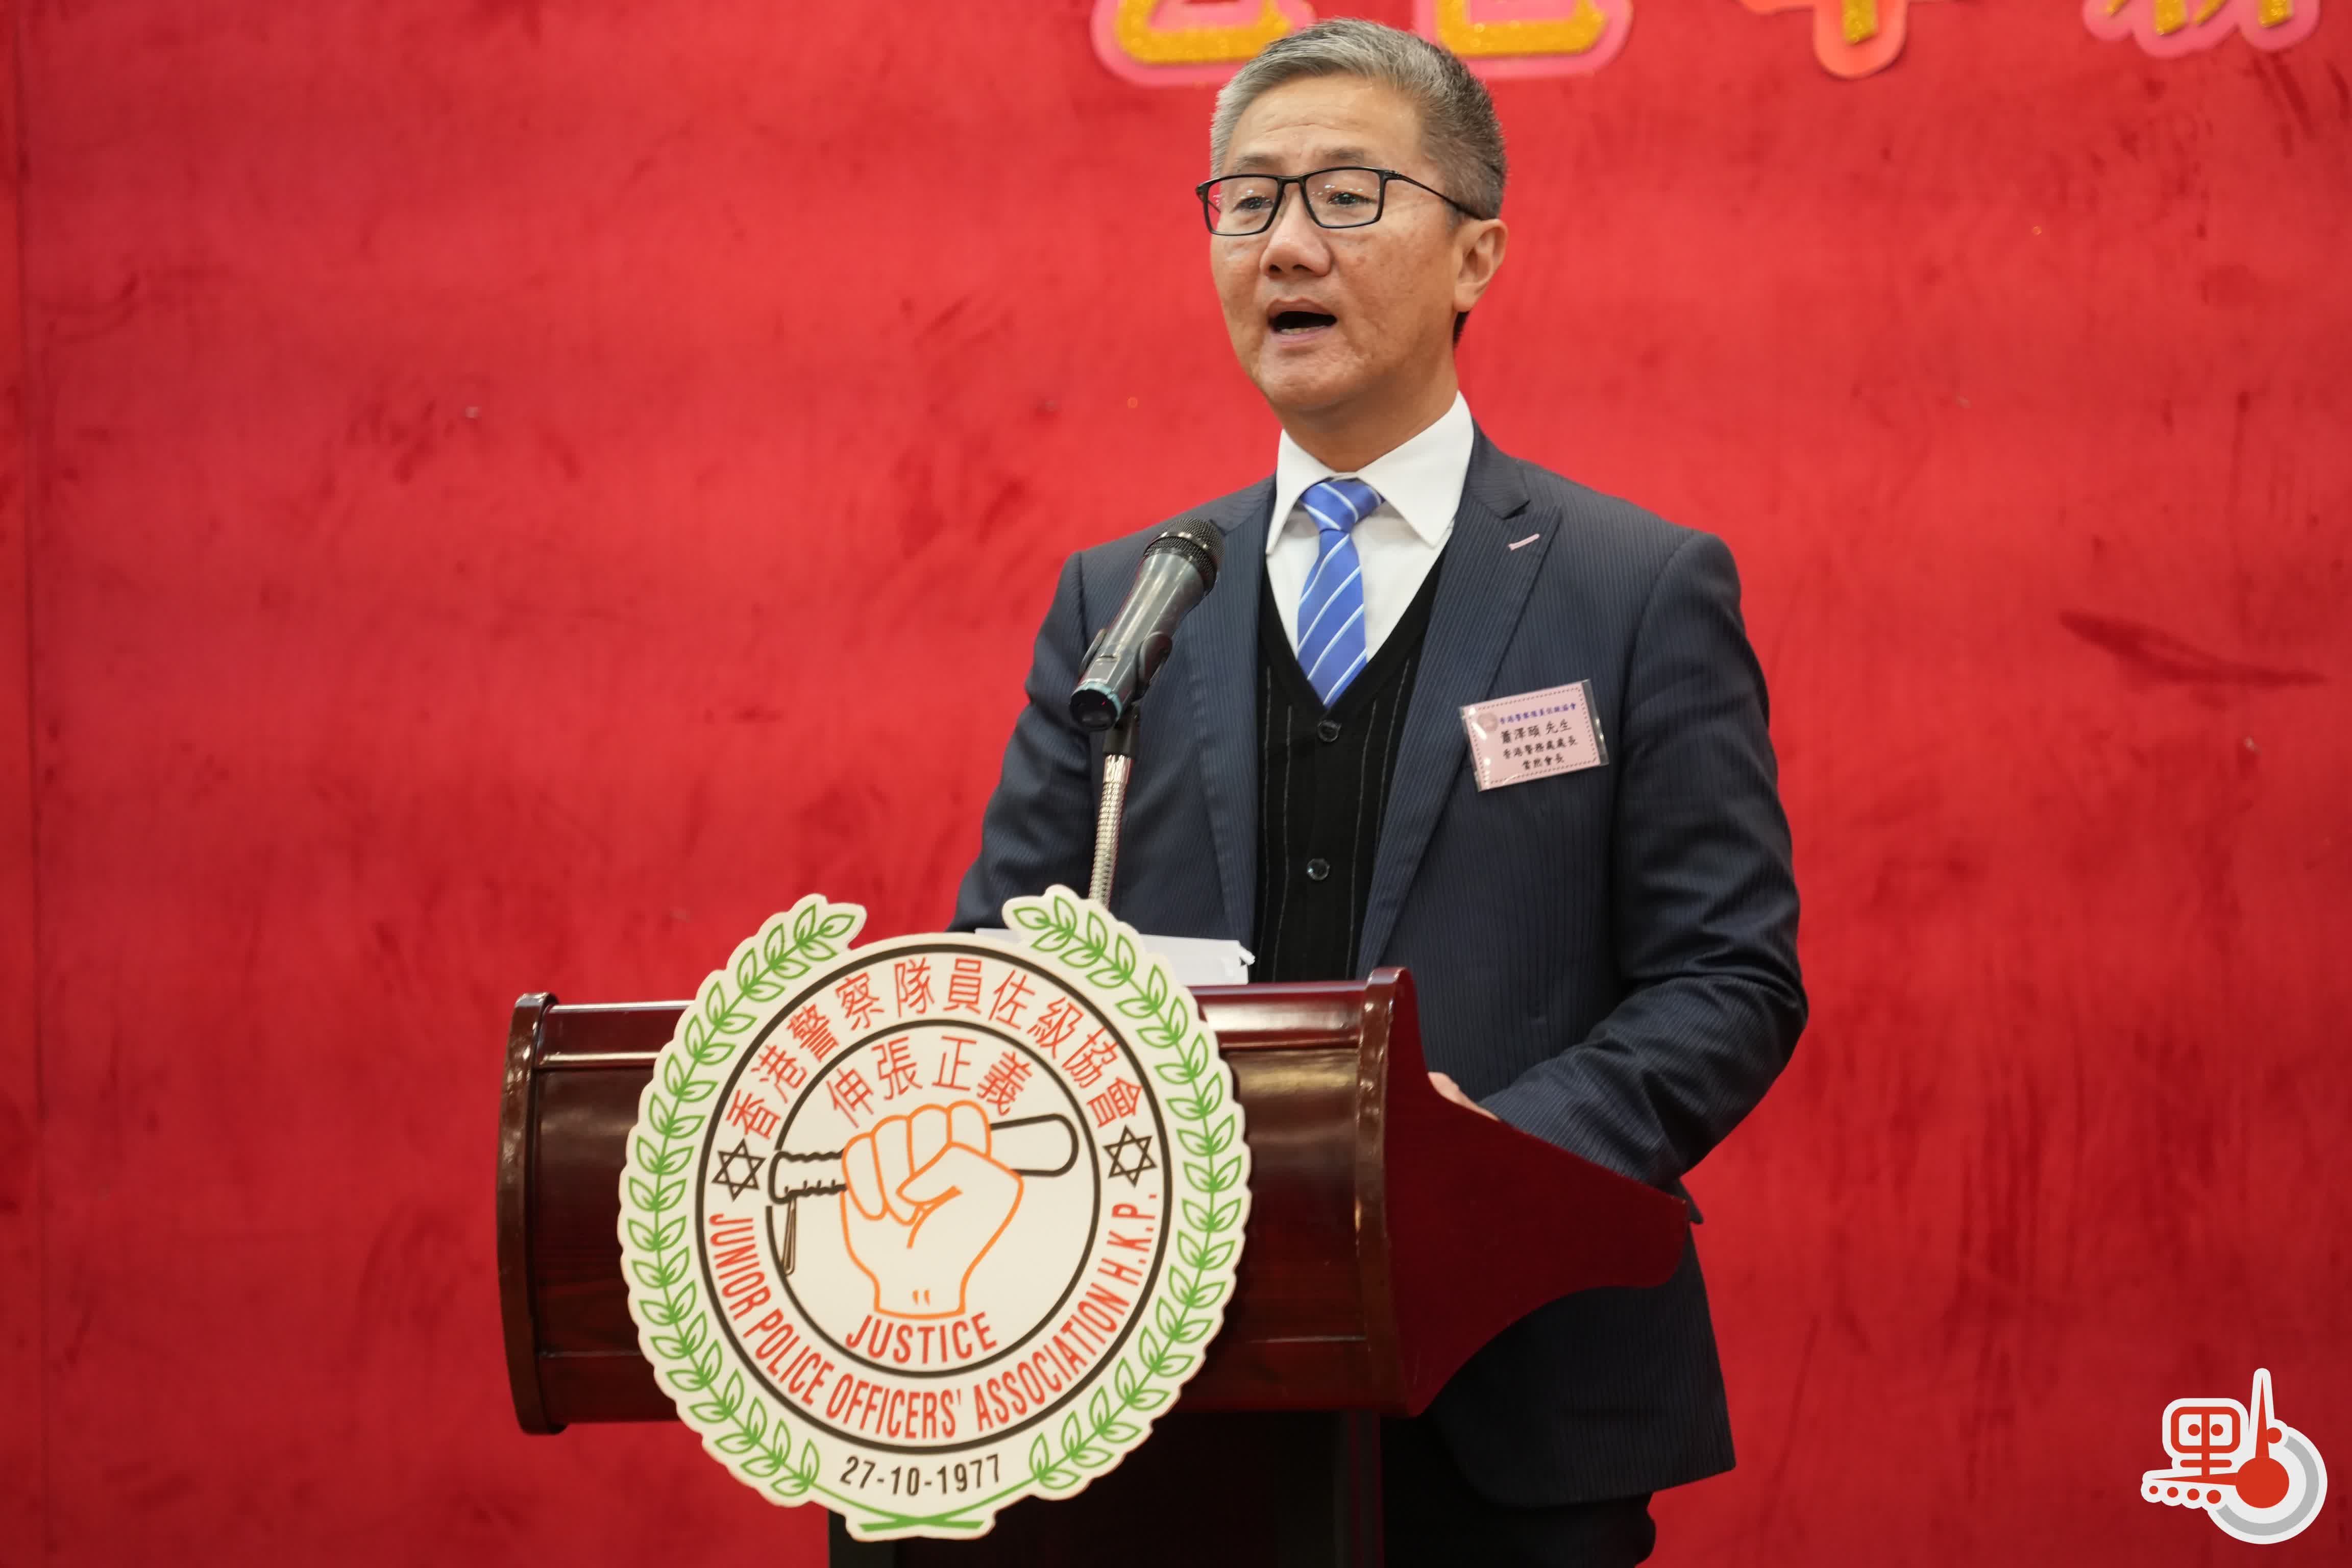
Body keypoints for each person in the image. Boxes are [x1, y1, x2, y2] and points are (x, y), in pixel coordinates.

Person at [952, 18, 1803, 1565]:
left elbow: (1730, 980)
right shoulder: (1128, 600)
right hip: (1163, 1398)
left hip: (1514, 1396)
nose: (1287, 244)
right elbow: (996, 968)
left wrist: (1496, 1152)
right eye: (1248, 201)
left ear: (1477, 256)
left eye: (1349, 197)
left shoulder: (1635, 588)